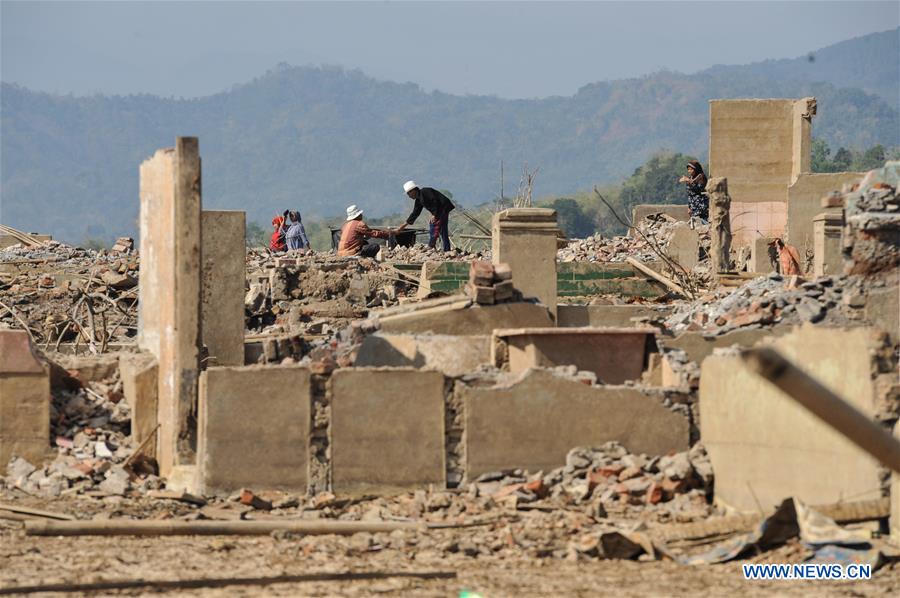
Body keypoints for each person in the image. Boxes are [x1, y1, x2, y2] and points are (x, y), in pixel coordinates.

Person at [396, 180, 455, 251]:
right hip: (441, 210)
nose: (409, 196)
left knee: (434, 225)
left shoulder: (425, 191)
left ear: (413, 190)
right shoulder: (418, 200)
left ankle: (431, 245)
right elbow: (415, 213)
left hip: (443, 207)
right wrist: (402, 226)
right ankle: (447, 249)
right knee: (443, 230)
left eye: (409, 193)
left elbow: (435, 201)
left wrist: (434, 215)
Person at [678, 160, 709, 227]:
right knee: (694, 222)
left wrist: (689, 181)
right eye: (688, 169)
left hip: (701, 203)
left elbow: (698, 189)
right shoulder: (690, 178)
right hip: (693, 204)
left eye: (691, 169)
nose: (689, 171)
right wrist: (689, 207)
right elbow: (690, 193)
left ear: (696, 169)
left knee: (701, 221)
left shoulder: (701, 177)